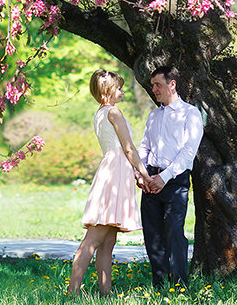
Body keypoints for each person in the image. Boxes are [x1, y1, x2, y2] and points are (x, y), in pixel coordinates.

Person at [67, 69, 150, 296]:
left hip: (113, 171)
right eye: (119, 88)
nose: (122, 91)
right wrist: (144, 173)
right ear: (107, 91)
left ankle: (107, 293)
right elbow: (128, 148)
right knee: (93, 240)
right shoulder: (113, 112)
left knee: (107, 242)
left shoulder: (100, 113)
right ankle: (72, 292)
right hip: (115, 173)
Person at [137, 65, 204, 289]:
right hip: (150, 181)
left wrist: (163, 178)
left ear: (172, 84)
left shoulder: (190, 114)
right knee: (152, 235)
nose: (153, 89)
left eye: (158, 84)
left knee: (174, 233)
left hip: (175, 182)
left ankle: (180, 286)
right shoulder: (154, 115)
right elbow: (144, 147)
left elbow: (188, 153)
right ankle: (160, 285)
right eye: (153, 85)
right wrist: (141, 174)